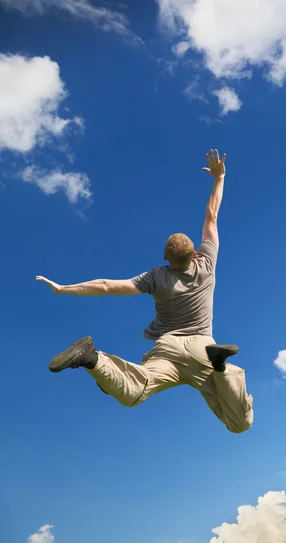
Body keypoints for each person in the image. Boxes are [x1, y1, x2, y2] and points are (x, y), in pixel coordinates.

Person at [36, 149, 253, 434]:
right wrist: (219, 177)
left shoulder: (155, 277)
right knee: (239, 423)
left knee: (135, 389)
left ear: (166, 257)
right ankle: (222, 369)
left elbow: (105, 286)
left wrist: (64, 289)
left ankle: (92, 358)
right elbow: (211, 216)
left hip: (167, 349)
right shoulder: (206, 263)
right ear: (194, 253)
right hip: (203, 347)